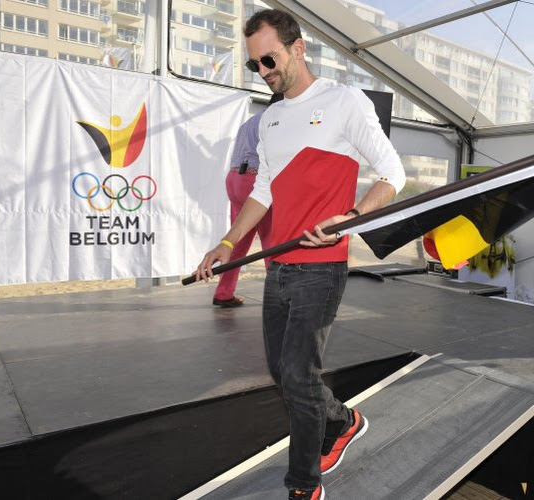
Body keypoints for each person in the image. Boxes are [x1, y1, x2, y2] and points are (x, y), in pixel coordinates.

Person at [195, 9, 406, 500]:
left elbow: (391, 171)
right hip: (278, 265)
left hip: (322, 267)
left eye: (269, 58)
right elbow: (263, 192)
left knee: (297, 374)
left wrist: (350, 216)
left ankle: (303, 485)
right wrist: (226, 244)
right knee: (283, 374)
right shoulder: (269, 118)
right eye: (254, 65)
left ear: (298, 47)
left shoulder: (343, 102)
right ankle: (344, 420)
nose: (264, 70)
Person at [212, 93, 283, 308]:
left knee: (237, 240)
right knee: (272, 241)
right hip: (254, 181)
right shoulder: (276, 120)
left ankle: (223, 293)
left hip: (235, 179)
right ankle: (278, 297)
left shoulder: (251, 121)